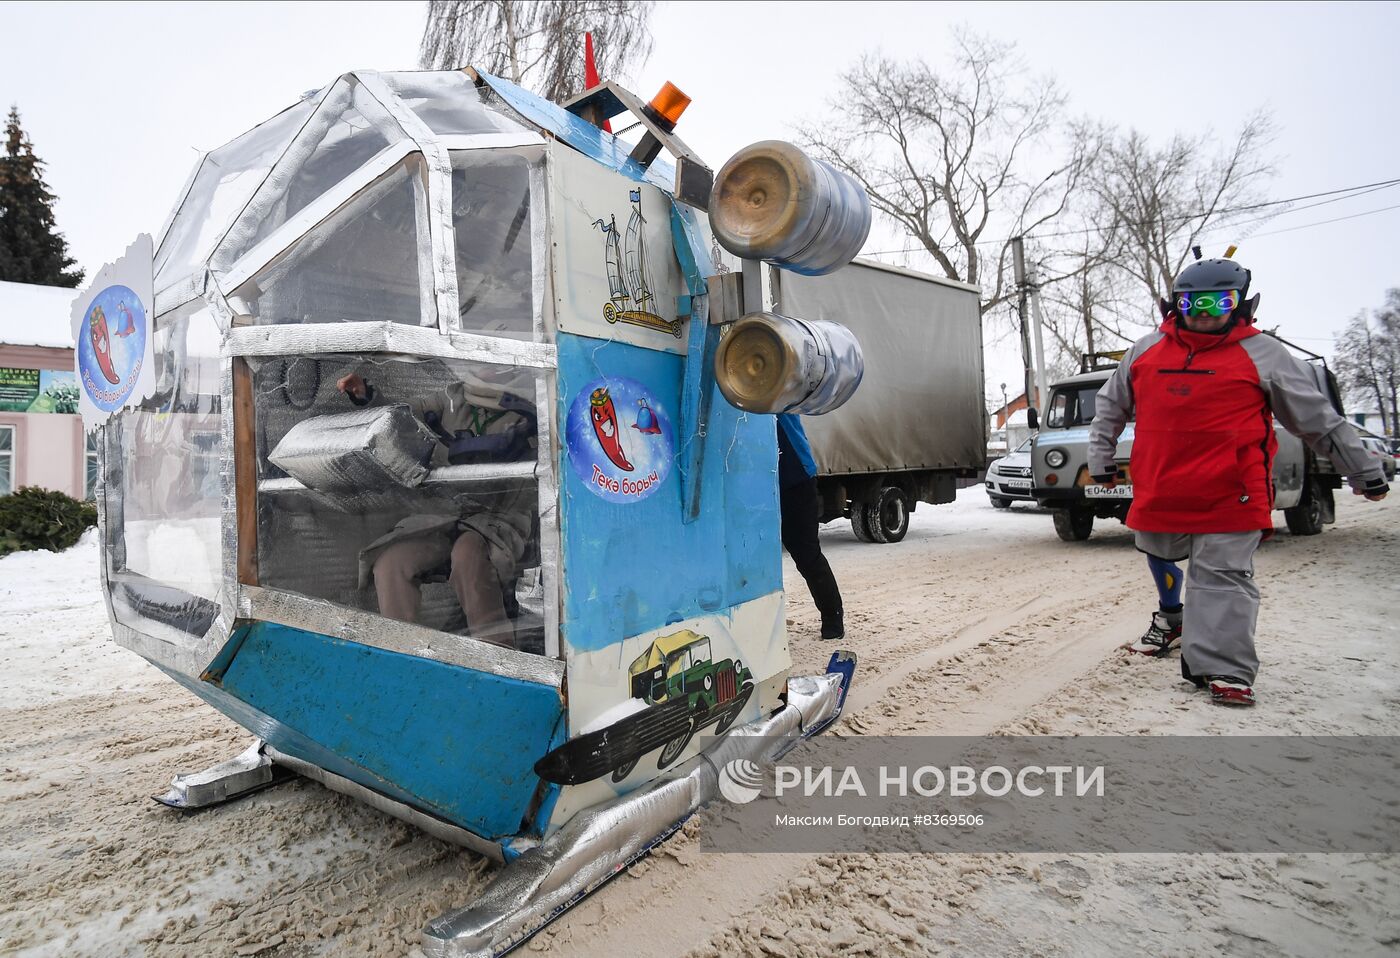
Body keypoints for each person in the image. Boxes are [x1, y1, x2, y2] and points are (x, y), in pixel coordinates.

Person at [1089, 253, 1388, 706]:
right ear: (1174, 305)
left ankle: (1224, 671)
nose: (1204, 313)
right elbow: (1110, 406)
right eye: (1193, 303)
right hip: (1162, 487)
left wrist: (1363, 469)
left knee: (1221, 578)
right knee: (1160, 554)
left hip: (1233, 489)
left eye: (1218, 302)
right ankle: (1176, 621)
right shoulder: (1146, 350)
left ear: (1242, 304)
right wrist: (1102, 457)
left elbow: (1316, 420)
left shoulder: (1263, 353)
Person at [338, 364, 536, 649]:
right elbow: (402, 417)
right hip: (447, 515)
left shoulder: (530, 405)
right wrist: (366, 396)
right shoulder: (452, 397)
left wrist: (447, 453)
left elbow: (511, 451)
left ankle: (496, 657)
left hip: (501, 518)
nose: (481, 362)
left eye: (489, 356)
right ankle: (404, 654)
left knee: (468, 554)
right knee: (391, 562)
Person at [776, 413, 844, 641]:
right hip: (757, 482)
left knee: (806, 554)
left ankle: (832, 618)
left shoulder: (775, 392)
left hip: (795, 481)